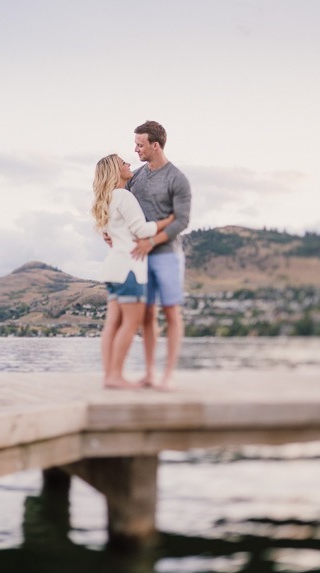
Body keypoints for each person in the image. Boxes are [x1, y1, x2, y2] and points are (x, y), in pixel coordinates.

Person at [91, 153, 174, 389]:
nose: (128, 164)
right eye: (123, 163)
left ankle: (109, 376)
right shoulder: (124, 196)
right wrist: (168, 221)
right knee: (130, 322)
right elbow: (142, 229)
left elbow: (108, 234)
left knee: (112, 323)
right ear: (116, 171)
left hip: (113, 268)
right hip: (129, 269)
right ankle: (115, 376)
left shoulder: (105, 199)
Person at [129, 120, 192, 391]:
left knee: (171, 312)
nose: (135, 149)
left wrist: (152, 241)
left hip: (167, 255)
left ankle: (169, 374)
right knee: (145, 315)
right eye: (135, 144)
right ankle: (150, 373)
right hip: (140, 257)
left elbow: (181, 221)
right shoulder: (136, 178)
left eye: (140, 145)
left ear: (155, 145)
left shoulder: (177, 179)